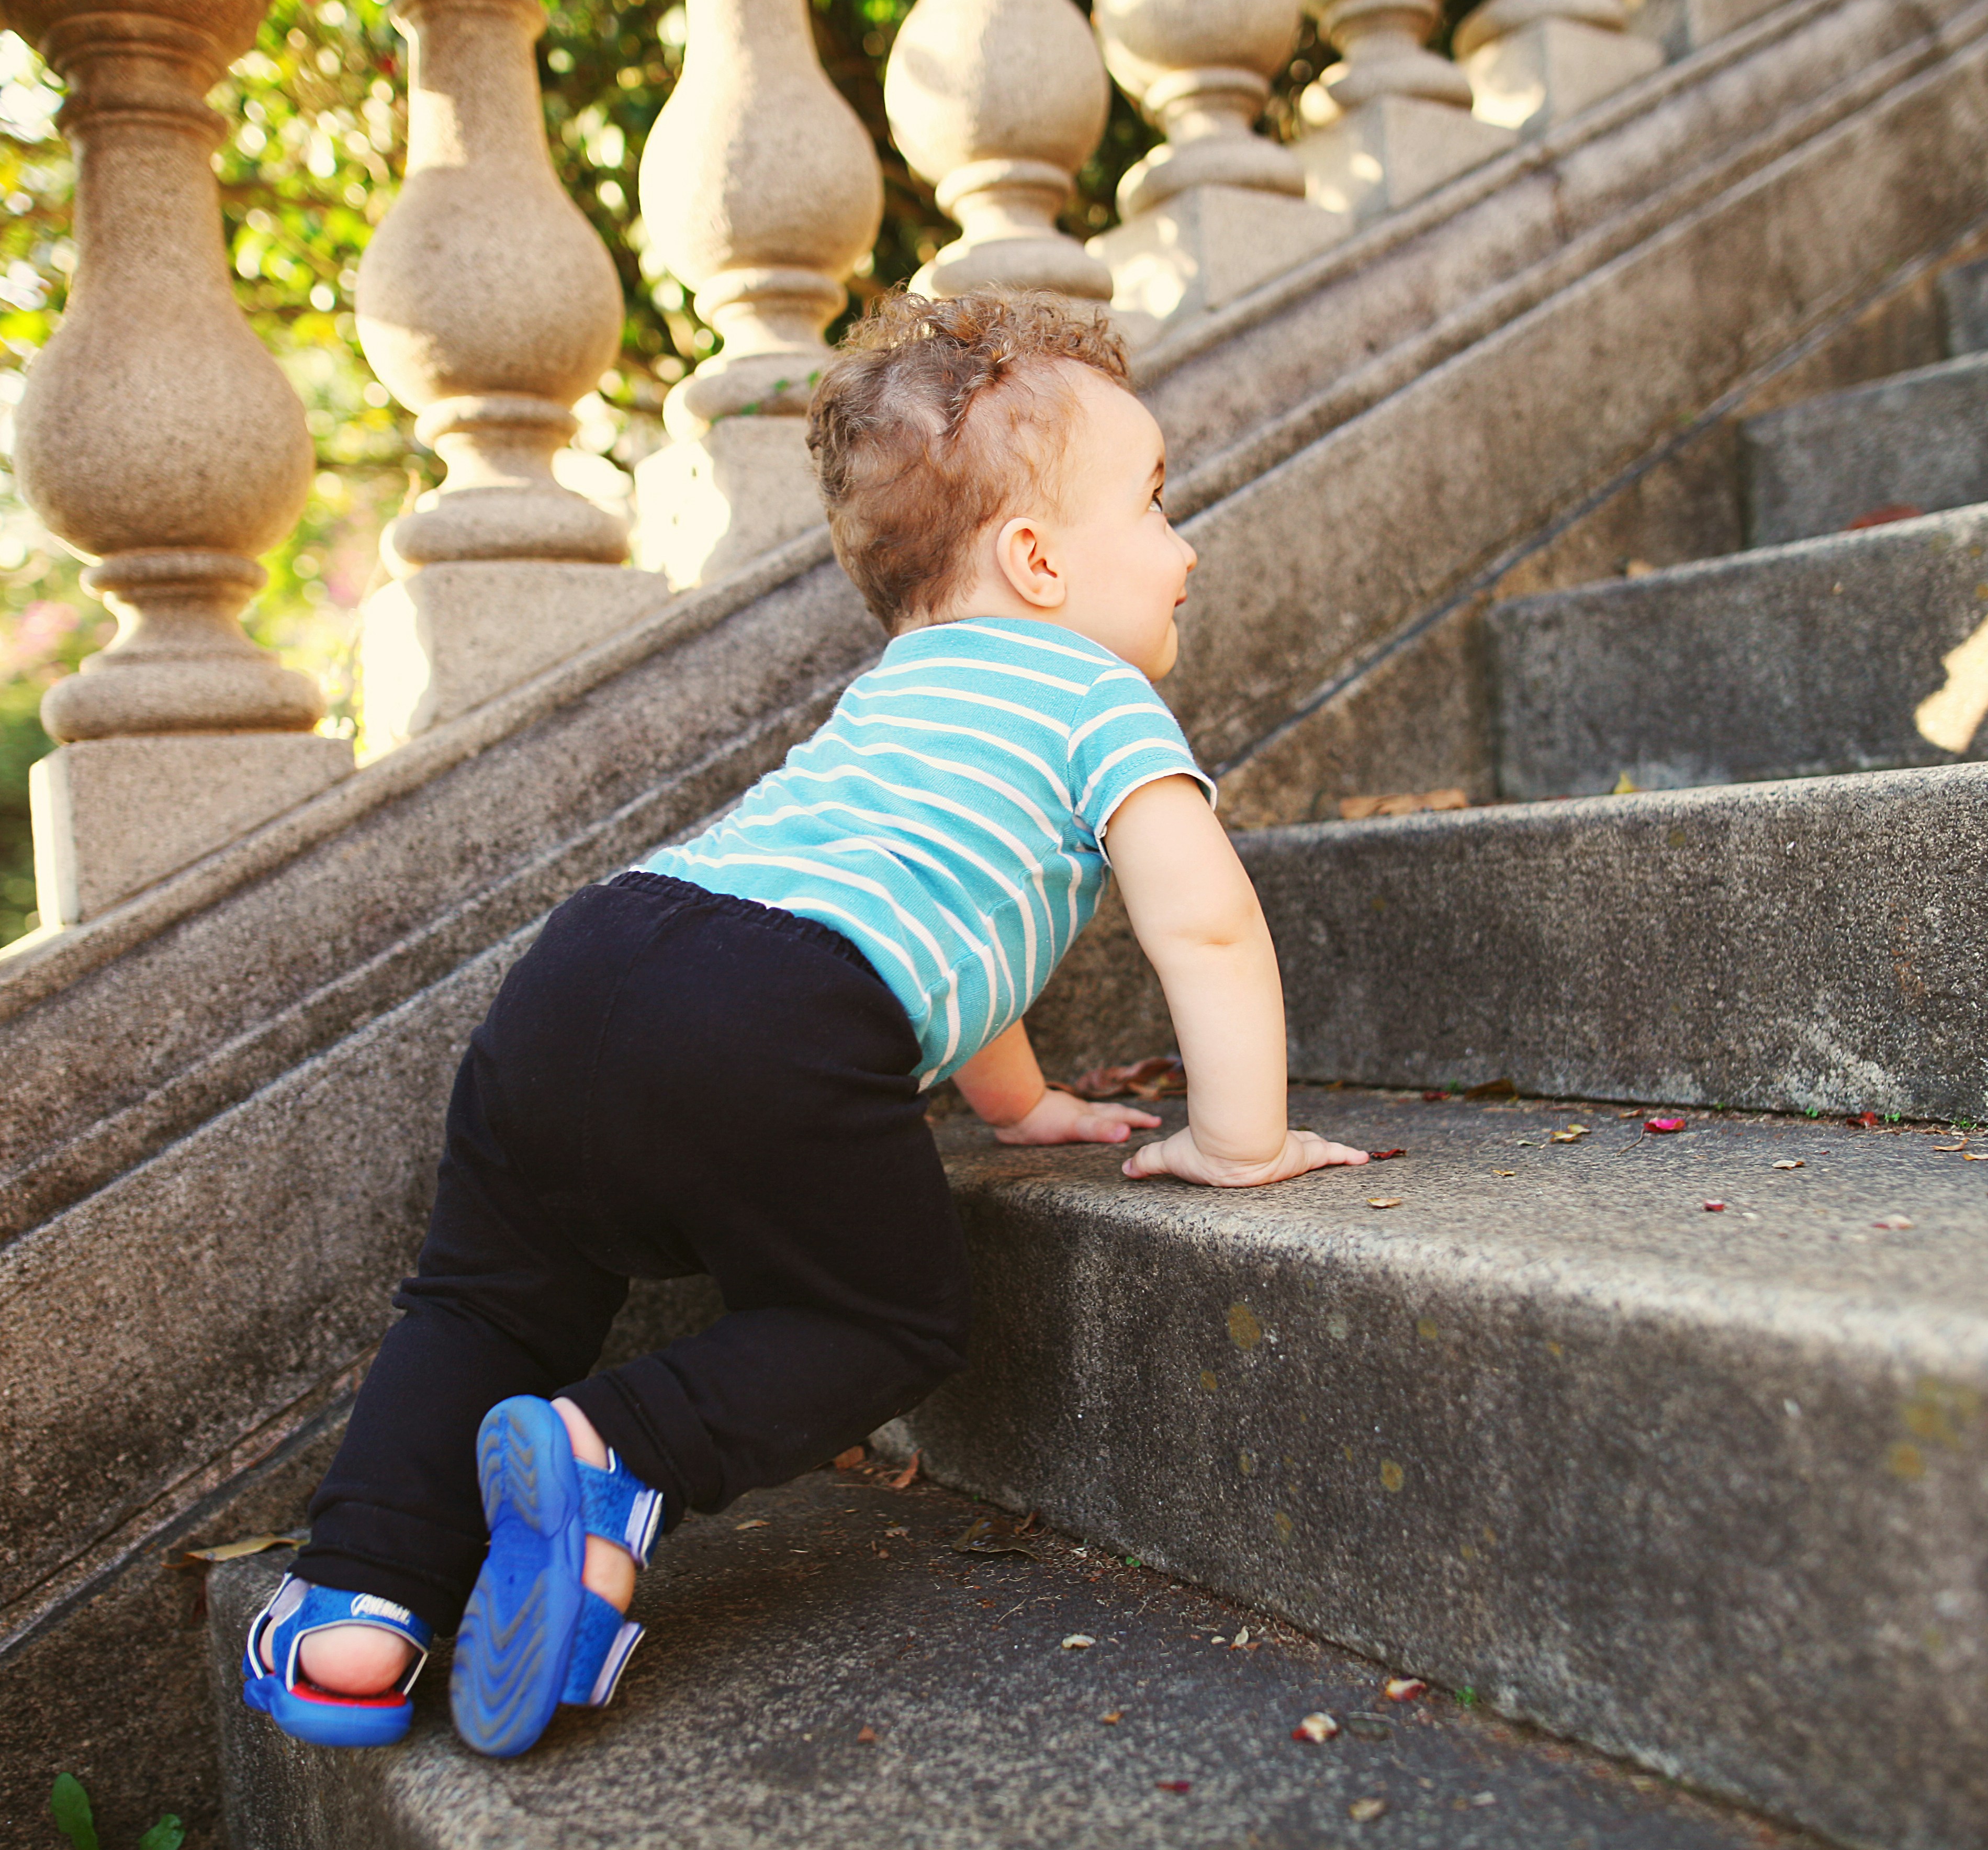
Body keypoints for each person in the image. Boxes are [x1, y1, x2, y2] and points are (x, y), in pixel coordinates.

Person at [240, 290, 1370, 1757]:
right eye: (1156, 504)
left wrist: (1018, 1104)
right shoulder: (1100, 700)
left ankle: (355, 1611)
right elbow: (1205, 922)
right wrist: (1243, 1139)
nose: (1186, 544)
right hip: (772, 1014)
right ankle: (612, 1450)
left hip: (588, 964)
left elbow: (933, 924)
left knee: (483, 1302)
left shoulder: (896, 697)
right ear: (1037, 560)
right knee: (883, 1315)